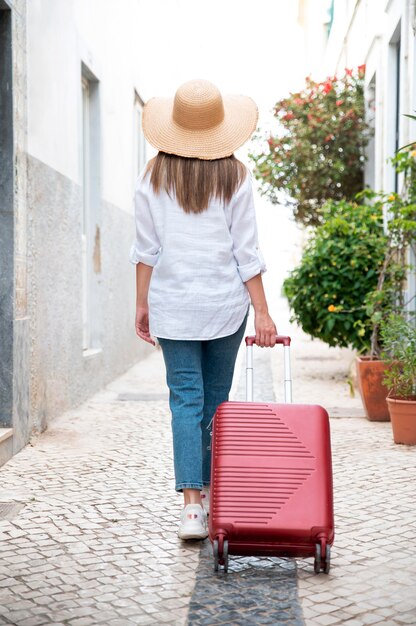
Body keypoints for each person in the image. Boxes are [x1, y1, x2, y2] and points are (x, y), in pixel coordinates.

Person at [129, 79, 277, 540]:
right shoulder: (236, 175)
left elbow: (145, 249)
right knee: (216, 402)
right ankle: (215, 496)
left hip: (173, 306)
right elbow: (245, 253)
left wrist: (141, 303)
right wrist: (263, 312)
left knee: (185, 400)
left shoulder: (152, 176)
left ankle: (192, 507)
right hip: (224, 306)